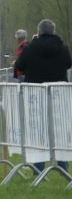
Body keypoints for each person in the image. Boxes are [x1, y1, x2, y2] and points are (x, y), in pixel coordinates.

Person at [13, 19, 72, 172]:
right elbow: (68, 63)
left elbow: (19, 66)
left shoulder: (31, 47)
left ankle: (38, 167)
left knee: (37, 130)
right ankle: (63, 166)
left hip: (35, 94)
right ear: (53, 31)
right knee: (59, 129)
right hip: (59, 95)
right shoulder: (62, 47)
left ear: (38, 32)